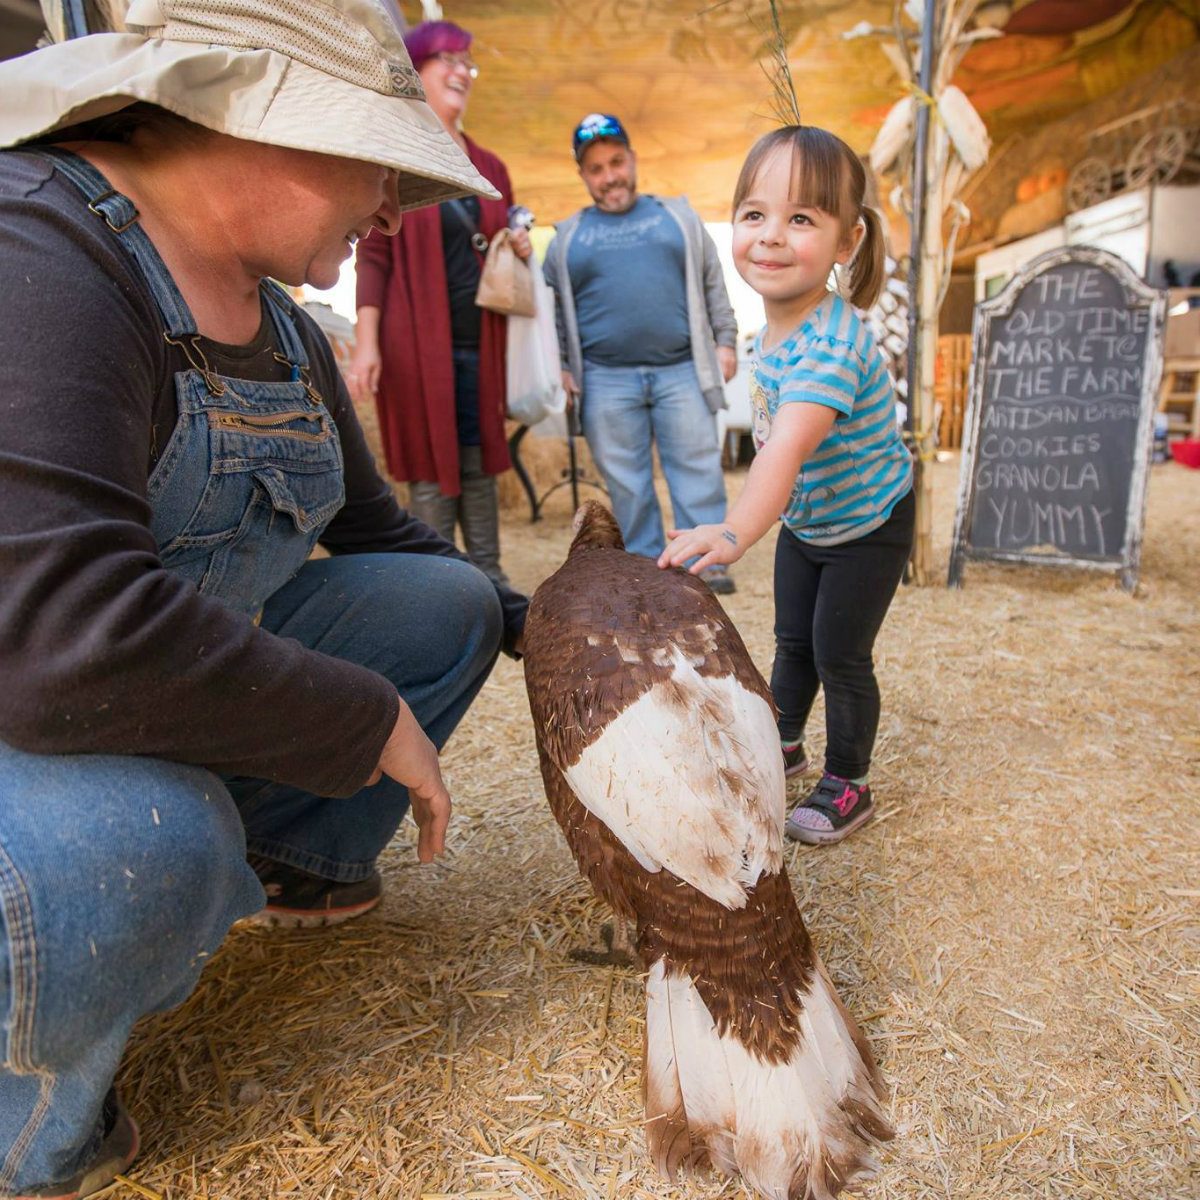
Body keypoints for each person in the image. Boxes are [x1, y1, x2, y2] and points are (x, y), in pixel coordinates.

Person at [0, 2, 529, 1194]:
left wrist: (547, 621)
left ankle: (292, 863)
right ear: (250, 117)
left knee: (446, 602)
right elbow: (56, 634)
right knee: (148, 845)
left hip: (117, 706)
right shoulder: (40, 255)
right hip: (28, 716)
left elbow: (385, 540)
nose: (394, 205)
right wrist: (361, 721)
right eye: (380, 163)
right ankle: (29, 1126)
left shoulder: (283, 325)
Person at [658, 125, 914, 846]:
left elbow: (784, 452)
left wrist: (734, 529)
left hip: (868, 523)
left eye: (801, 218)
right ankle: (786, 742)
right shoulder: (768, 331)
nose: (770, 236)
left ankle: (849, 782)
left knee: (839, 651)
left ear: (845, 242)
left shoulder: (831, 346)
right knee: (792, 640)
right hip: (810, 518)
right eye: (754, 214)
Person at [347, 19, 531, 588]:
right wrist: (367, 342)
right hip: (417, 345)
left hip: (482, 342)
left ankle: (491, 581)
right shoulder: (399, 152)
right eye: (446, 60)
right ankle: (442, 583)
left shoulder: (491, 166)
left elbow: (506, 237)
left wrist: (519, 243)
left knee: (478, 458)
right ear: (417, 71)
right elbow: (373, 256)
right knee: (430, 463)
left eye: (466, 63)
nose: (461, 72)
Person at [542, 113, 741, 594]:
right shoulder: (566, 238)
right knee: (627, 483)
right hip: (606, 378)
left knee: (696, 468)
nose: (609, 176)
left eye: (616, 162)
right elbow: (552, 313)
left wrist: (726, 340)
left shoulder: (678, 218)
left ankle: (705, 562)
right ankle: (650, 569)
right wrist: (563, 368)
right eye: (595, 168)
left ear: (632, 159)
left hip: (680, 368)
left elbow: (713, 281)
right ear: (583, 177)